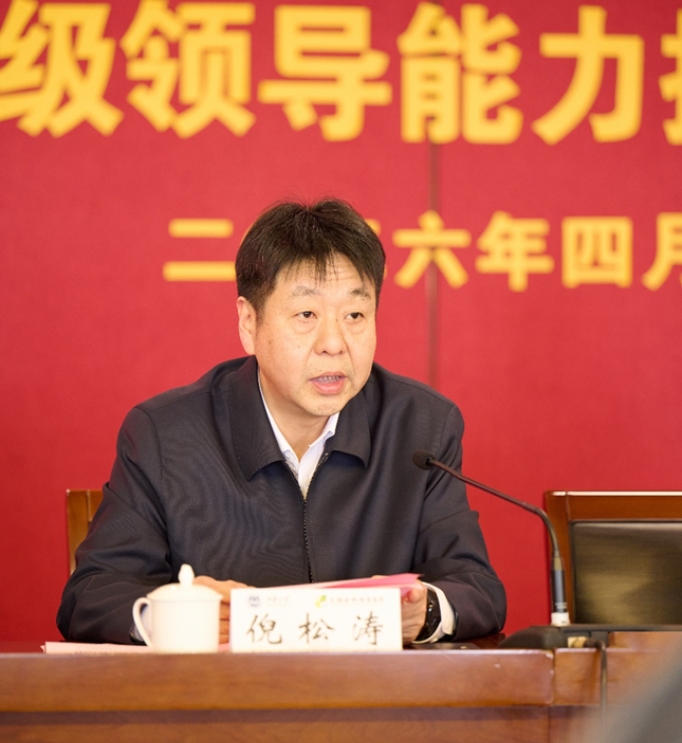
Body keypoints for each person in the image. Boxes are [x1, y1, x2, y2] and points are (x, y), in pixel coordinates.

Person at [57, 198, 506, 645]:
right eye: (306, 315)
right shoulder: (166, 436)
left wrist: (425, 613)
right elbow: (91, 596)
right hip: (224, 690)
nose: (334, 343)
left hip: (371, 691)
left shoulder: (420, 426)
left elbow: (477, 587)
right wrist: (177, 614)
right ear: (248, 323)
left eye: (354, 315)